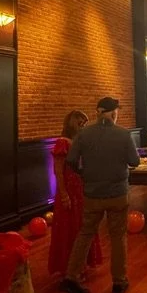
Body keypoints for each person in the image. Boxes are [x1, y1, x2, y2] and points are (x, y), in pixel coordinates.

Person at [60, 96, 140, 293]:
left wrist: (85, 175)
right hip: (117, 194)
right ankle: (119, 281)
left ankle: (71, 275)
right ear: (113, 113)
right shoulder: (123, 134)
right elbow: (134, 161)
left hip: (92, 194)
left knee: (85, 233)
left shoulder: (83, 134)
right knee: (117, 236)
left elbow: (70, 161)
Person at [48, 110, 102, 277]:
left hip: (82, 189)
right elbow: (58, 171)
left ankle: (81, 264)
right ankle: (71, 267)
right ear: (73, 123)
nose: (84, 126)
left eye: (85, 123)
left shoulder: (78, 142)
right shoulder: (63, 143)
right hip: (70, 190)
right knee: (70, 228)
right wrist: (64, 194)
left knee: (83, 226)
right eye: (81, 123)